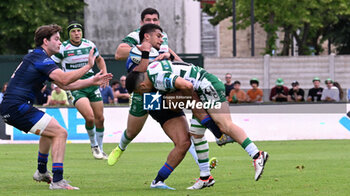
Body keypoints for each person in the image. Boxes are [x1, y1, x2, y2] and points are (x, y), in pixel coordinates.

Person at [109, 24, 222, 190]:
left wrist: (176, 62)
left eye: (155, 19)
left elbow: (174, 61)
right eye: (150, 20)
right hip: (149, 96)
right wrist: (149, 56)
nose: (161, 39)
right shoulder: (136, 47)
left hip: (162, 92)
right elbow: (136, 71)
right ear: (146, 35)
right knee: (132, 131)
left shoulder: (162, 45)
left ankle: (177, 176)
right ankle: (121, 147)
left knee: (184, 141)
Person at [0, 24, 112, 190]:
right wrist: (88, 67)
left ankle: (41, 171)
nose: (60, 43)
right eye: (57, 39)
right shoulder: (41, 58)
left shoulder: (41, 58)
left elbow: (65, 85)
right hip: (17, 107)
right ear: (45, 41)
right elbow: (65, 80)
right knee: (60, 132)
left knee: (50, 130)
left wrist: (92, 81)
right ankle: (57, 180)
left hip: (14, 107)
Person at [126, 59, 269, 182]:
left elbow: (187, 86)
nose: (144, 95)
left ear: (142, 86)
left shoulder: (157, 79)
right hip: (202, 88)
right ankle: (205, 177)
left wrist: (188, 100)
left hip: (207, 86)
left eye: (141, 92)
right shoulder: (153, 69)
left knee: (225, 125)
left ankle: (257, 155)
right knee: (196, 134)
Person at [51, 22, 109, 159]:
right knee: (89, 117)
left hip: (92, 84)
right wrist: (60, 79)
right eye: (73, 31)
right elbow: (52, 64)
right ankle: (94, 147)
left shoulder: (89, 45)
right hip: (75, 86)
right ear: (69, 34)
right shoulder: (63, 48)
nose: (76, 33)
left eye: (79, 31)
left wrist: (104, 74)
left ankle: (100, 149)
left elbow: (100, 60)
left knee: (100, 119)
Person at [115, 7, 181, 61]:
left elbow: (167, 50)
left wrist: (183, 64)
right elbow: (119, 54)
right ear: (141, 23)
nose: (152, 22)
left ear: (159, 22)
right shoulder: (136, 34)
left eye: (155, 20)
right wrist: (144, 50)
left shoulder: (163, 35)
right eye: (148, 20)